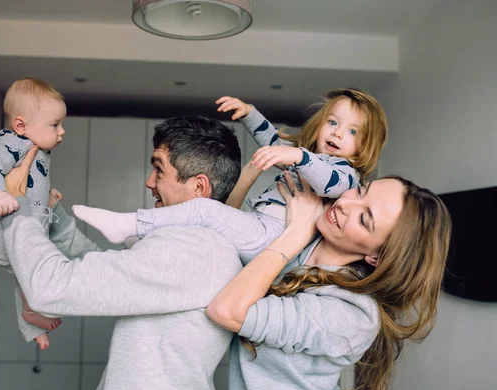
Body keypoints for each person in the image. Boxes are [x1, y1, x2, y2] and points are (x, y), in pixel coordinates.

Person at [0, 116, 244, 390]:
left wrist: (18, 206)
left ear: (199, 187)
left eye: (159, 170)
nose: (149, 181)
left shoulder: (192, 251)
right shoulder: (198, 247)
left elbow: (50, 288)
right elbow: (105, 271)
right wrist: (55, 217)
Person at [205, 170, 451, 390]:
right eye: (360, 190)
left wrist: (297, 232)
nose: (344, 204)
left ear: (376, 257)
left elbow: (226, 311)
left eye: (364, 219)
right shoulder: (304, 241)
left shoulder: (352, 315)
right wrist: (250, 171)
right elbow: (224, 242)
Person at [71, 89, 388, 265]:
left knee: (206, 212)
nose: (337, 133)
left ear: (365, 145)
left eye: (351, 131)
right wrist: (250, 114)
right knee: (204, 229)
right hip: (261, 227)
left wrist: (298, 156)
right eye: (332, 122)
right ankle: (141, 240)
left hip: (273, 236)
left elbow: (324, 178)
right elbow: (273, 143)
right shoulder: (302, 158)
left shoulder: (346, 176)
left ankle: (127, 226)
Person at [0, 77, 66, 349]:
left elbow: (30, 181)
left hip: (23, 224)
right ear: (20, 125)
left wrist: (46, 198)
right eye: (55, 125)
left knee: (29, 271)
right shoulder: (8, 142)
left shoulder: (33, 146)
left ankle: (31, 323)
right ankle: (32, 311)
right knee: (33, 271)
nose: (62, 132)